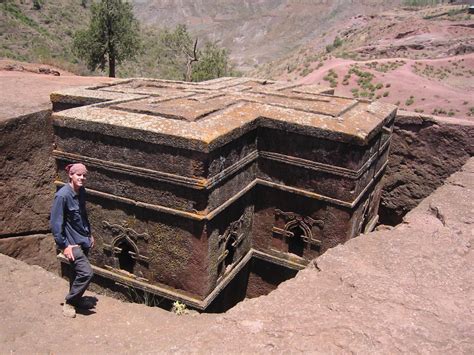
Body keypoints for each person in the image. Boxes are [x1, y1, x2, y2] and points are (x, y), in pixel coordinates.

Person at [50, 163, 95, 318]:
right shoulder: (62, 195)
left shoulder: (81, 191)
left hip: (83, 239)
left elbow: (83, 215)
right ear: (70, 175)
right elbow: (56, 223)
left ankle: (76, 300)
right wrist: (64, 246)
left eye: (84, 175)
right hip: (71, 243)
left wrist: (89, 234)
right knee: (87, 273)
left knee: (76, 272)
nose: (82, 178)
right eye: (78, 175)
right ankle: (69, 302)